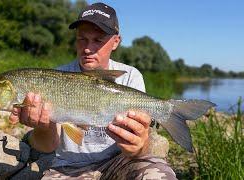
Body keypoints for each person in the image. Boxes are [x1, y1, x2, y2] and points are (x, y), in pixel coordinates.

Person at [10, 2, 177, 179]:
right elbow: (47, 146)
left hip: (118, 162)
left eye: (98, 40)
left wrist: (139, 146)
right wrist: (42, 127)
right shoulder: (57, 77)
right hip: (67, 167)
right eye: (82, 39)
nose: (88, 49)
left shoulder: (131, 76)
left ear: (115, 42)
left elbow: (139, 148)